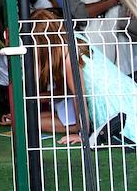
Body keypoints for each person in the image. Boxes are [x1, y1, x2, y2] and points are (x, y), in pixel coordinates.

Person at [32, 14, 137, 148]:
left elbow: (79, 98)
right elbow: (68, 91)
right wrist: (37, 98)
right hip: (123, 90)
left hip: (110, 103)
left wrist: (82, 134)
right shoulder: (75, 39)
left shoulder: (68, 58)